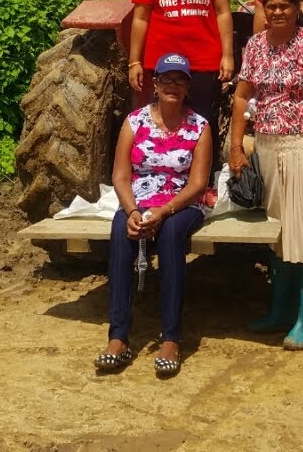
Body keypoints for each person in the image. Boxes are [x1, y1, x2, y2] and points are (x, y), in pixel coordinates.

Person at [228, 0, 303, 350]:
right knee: (279, 234)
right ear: (262, 9)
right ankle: (280, 311)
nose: (277, 12)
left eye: (284, 6)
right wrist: (235, 146)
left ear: (296, 9)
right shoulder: (256, 46)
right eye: (270, 6)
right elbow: (243, 96)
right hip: (268, 148)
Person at [95, 53, 213, 377]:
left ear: (188, 86)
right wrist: (133, 211)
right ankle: (118, 337)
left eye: (180, 80)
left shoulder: (200, 127)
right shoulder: (134, 122)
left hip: (182, 204)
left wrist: (163, 211)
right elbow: (120, 176)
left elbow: (199, 182)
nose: (173, 85)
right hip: (140, 202)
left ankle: (171, 338)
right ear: (156, 84)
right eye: (167, 79)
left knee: (173, 233)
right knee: (121, 230)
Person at [128, 0, 234, 151]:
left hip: (202, 60)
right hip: (161, 61)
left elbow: (222, 12)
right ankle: (158, 181)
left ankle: (203, 185)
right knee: (160, 124)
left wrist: (227, 55)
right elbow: (141, 17)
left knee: (201, 125)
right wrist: (135, 61)